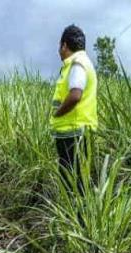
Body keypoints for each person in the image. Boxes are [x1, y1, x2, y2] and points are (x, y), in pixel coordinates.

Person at [49, 24, 98, 192]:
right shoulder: (84, 63)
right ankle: (82, 216)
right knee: (78, 182)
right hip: (77, 132)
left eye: (59, 46)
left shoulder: (77, 64)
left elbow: (75, 95)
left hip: (73, 133)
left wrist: (57, 114)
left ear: (64, 45)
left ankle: (79, 218)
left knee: (73, 185)